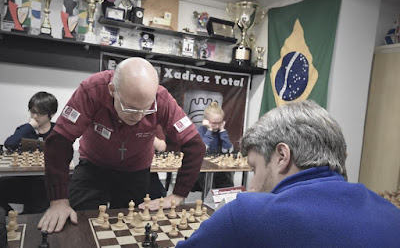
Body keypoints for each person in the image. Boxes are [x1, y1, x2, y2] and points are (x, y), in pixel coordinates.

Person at [177, 100, 400, 247]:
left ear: (282, 156)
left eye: (255, 169)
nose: (252, 186)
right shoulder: (392, 215)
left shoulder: (247, 214)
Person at [38, 57, 205, 233]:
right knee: (78, 223)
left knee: (132, 227)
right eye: (131, 108)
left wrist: (178, 195)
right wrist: (58, 201)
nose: (139, 117)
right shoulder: (91, 91)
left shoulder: (161, 99)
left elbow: (195, 146)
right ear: (112, 90)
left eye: (146, 109)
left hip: (136, 171)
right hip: (93, 167)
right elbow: (59, 141)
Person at [0, 91, 58, 214]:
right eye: (32, 112)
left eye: (40, 113)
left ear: (51, 114)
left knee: (38, 190)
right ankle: (11, 215)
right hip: (24, 179)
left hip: (46, 181)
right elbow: (9, 144)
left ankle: (29, 218)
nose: (35, 116)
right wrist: (29, 126)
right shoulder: (25, 130)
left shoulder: (57, 130)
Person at [193, 101, 234, 191]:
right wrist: (209, 130)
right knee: (211, 188)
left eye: (220, 123)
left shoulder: (221, 132)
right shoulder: (199, 131)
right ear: (206, 121)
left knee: (228, 187)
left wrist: (222, 130)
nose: (217, 126)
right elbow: (202, 149)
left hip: (218, 169)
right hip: (201, 169)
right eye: (214, 123)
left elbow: (227, 150)